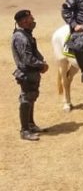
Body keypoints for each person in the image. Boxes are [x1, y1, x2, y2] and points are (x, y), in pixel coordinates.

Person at [11, 10, 49, 141]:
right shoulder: (21, 37)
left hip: (32, 73)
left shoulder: (26, 34)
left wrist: (40, 64)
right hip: (27, 73)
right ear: (24, 22)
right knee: (26, 100)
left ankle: (31, 125)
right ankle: (25, 130)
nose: (33, 20)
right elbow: (28, 58)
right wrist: (42, 65)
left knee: (31, 97)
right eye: (31, 18)